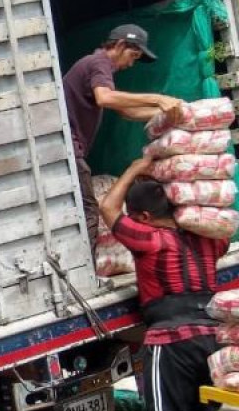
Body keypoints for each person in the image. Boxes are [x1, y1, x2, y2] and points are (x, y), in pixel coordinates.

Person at [100, 156, 230, 411]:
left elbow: (108, 206)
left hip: (170, 339)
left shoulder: (151, 240)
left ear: (142, 217)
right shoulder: (209, 241)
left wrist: (134, 167)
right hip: (211, 334)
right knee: (204, 410)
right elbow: (221, 229)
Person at [64, 24, 184, 250]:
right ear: (119, 45)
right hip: (70, 147)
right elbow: (105, 98)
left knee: (79, 208)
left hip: (72, 149)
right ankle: (87, 276)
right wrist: (157, 99)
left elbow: (127, 112)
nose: (131, 63)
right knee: (88, 210)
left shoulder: (99, 67)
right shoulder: (99, 63)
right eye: (133, 55)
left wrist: (170, 113)